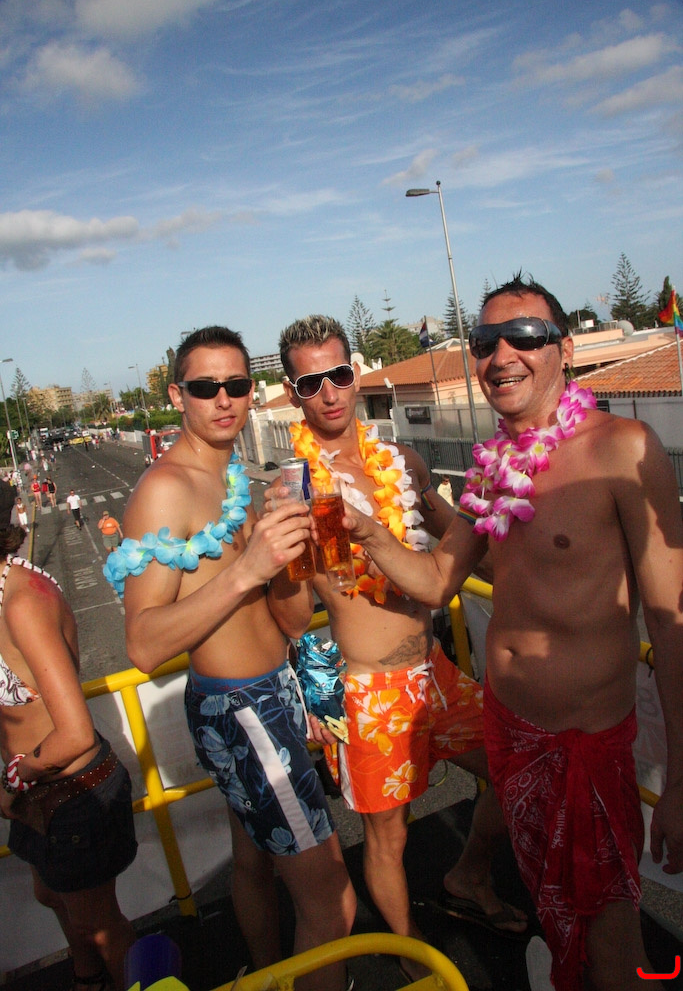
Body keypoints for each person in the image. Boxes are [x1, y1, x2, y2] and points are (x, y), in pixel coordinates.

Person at [343, 275, 683, 991]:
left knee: (610, 934)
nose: (501, 355)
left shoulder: (624, 449)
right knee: (550, 904)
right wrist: (365, 531)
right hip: (509, 729)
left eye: (523, 336)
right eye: (484, 341)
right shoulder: (492, 464)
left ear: (564, 349)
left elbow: (670, 619)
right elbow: (437, 580)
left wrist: (681, 778)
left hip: (583, 748)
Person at [277, 315, 526, 983]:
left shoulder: (402, 463)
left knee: (512, 773)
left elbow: (460, 547)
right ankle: (416, 959)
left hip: (436, 672)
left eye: (338, 374)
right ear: (292, 393)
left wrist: (535, 575)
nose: (330, 392)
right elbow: (292, 616)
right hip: (371, 693)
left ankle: (468, 876)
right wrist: (281, 558)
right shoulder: (296, 489)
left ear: (354, 373)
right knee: (389, 836)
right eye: (311, 382)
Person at [107, 326, 356, 991]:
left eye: (236, 384)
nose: (223, 399)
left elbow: (288, 620)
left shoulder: (236, 478)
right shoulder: (165, 490)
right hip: (243, 709)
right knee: (331, 902)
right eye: (205, 386)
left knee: (253, 864)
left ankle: (267, 973)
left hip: (271, 691)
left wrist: (293, 559)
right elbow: (143, 644)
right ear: (176, 396)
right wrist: (247, 568)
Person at [0, 479, 137, 991]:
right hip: (38, 790)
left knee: (100, 926)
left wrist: (15, 779)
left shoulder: (22, 603)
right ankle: (87, 979)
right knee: (53, 897)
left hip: (71, 794)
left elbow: (75, 733)